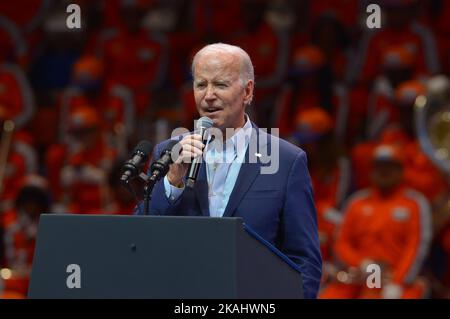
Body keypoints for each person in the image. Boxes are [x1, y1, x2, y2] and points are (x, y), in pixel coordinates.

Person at [135, 43, 322, 298]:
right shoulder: (169, 153)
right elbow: (140, 239)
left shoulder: (285, 160)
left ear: (247, 91)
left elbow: (304, 261)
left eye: (220, 84)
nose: (208, 95)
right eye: (201, 85)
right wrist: (173, 180)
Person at [320, 144, 432, 299]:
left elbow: (416, 247)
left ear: (401, 170)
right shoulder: (357, 202)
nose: (384, 172)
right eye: (379, 167)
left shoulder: (414, 203)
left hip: (396, 279)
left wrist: (398, 283)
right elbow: (341, 242)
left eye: (390, 167)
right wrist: (361, 263)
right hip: (358, 276)